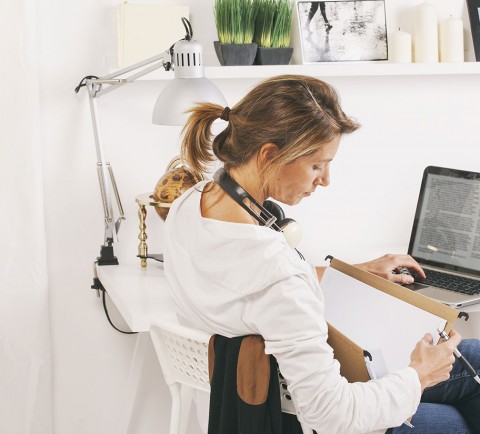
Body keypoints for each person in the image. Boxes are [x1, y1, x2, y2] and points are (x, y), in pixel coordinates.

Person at [163, 75, 480, 433]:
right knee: (459, 417)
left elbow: (252, 286)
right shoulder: (278, 273)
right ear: (269, 155)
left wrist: (355, 272)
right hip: (308, 419)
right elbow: (331, 413)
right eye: (317, 165)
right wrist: (419, 375)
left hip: (254, 399)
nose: (325, 179)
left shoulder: (190, 204)